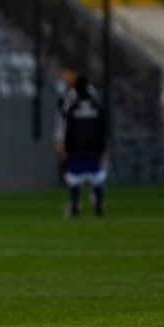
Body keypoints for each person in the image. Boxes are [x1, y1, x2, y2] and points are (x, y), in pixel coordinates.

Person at [54, 64, 107, 217]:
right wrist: (102, 147)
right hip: (94, 146)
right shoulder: (95, 104)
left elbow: (65, 125)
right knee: (96, 174)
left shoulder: (71, 104)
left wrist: (62, 144)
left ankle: (74, 204)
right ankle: (98, 201)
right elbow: (102, 126)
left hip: (76, 146)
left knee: (74, 176)